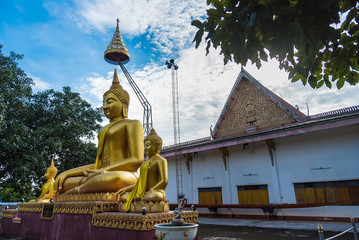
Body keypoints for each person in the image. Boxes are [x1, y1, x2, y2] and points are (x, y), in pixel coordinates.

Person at [53, 69, 144, 194]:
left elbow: (136, 160)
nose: (105, 106)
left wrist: (104, 171)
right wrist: (67, 173)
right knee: (63, 182)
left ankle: (77, 191)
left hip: (124, 175)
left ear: (124, 103)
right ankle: (82, 189)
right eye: (103, 103)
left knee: (114, 178)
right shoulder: (103, 130)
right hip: (98, 176)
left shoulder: (132, 124)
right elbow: (97, 165)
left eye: (110, 102)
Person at [117, 128, 168, 212]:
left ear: (156, 146)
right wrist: (125, 189)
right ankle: (140, 202)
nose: (146, 148)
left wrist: (152, 190)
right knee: (124, 196)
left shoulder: (161, 160)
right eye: (145, 145)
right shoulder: (144, 164)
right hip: (143, 193)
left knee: (154, 196)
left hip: (155, 192)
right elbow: (139, 184)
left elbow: (164, 181)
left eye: (148, 145)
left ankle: (140, 203)